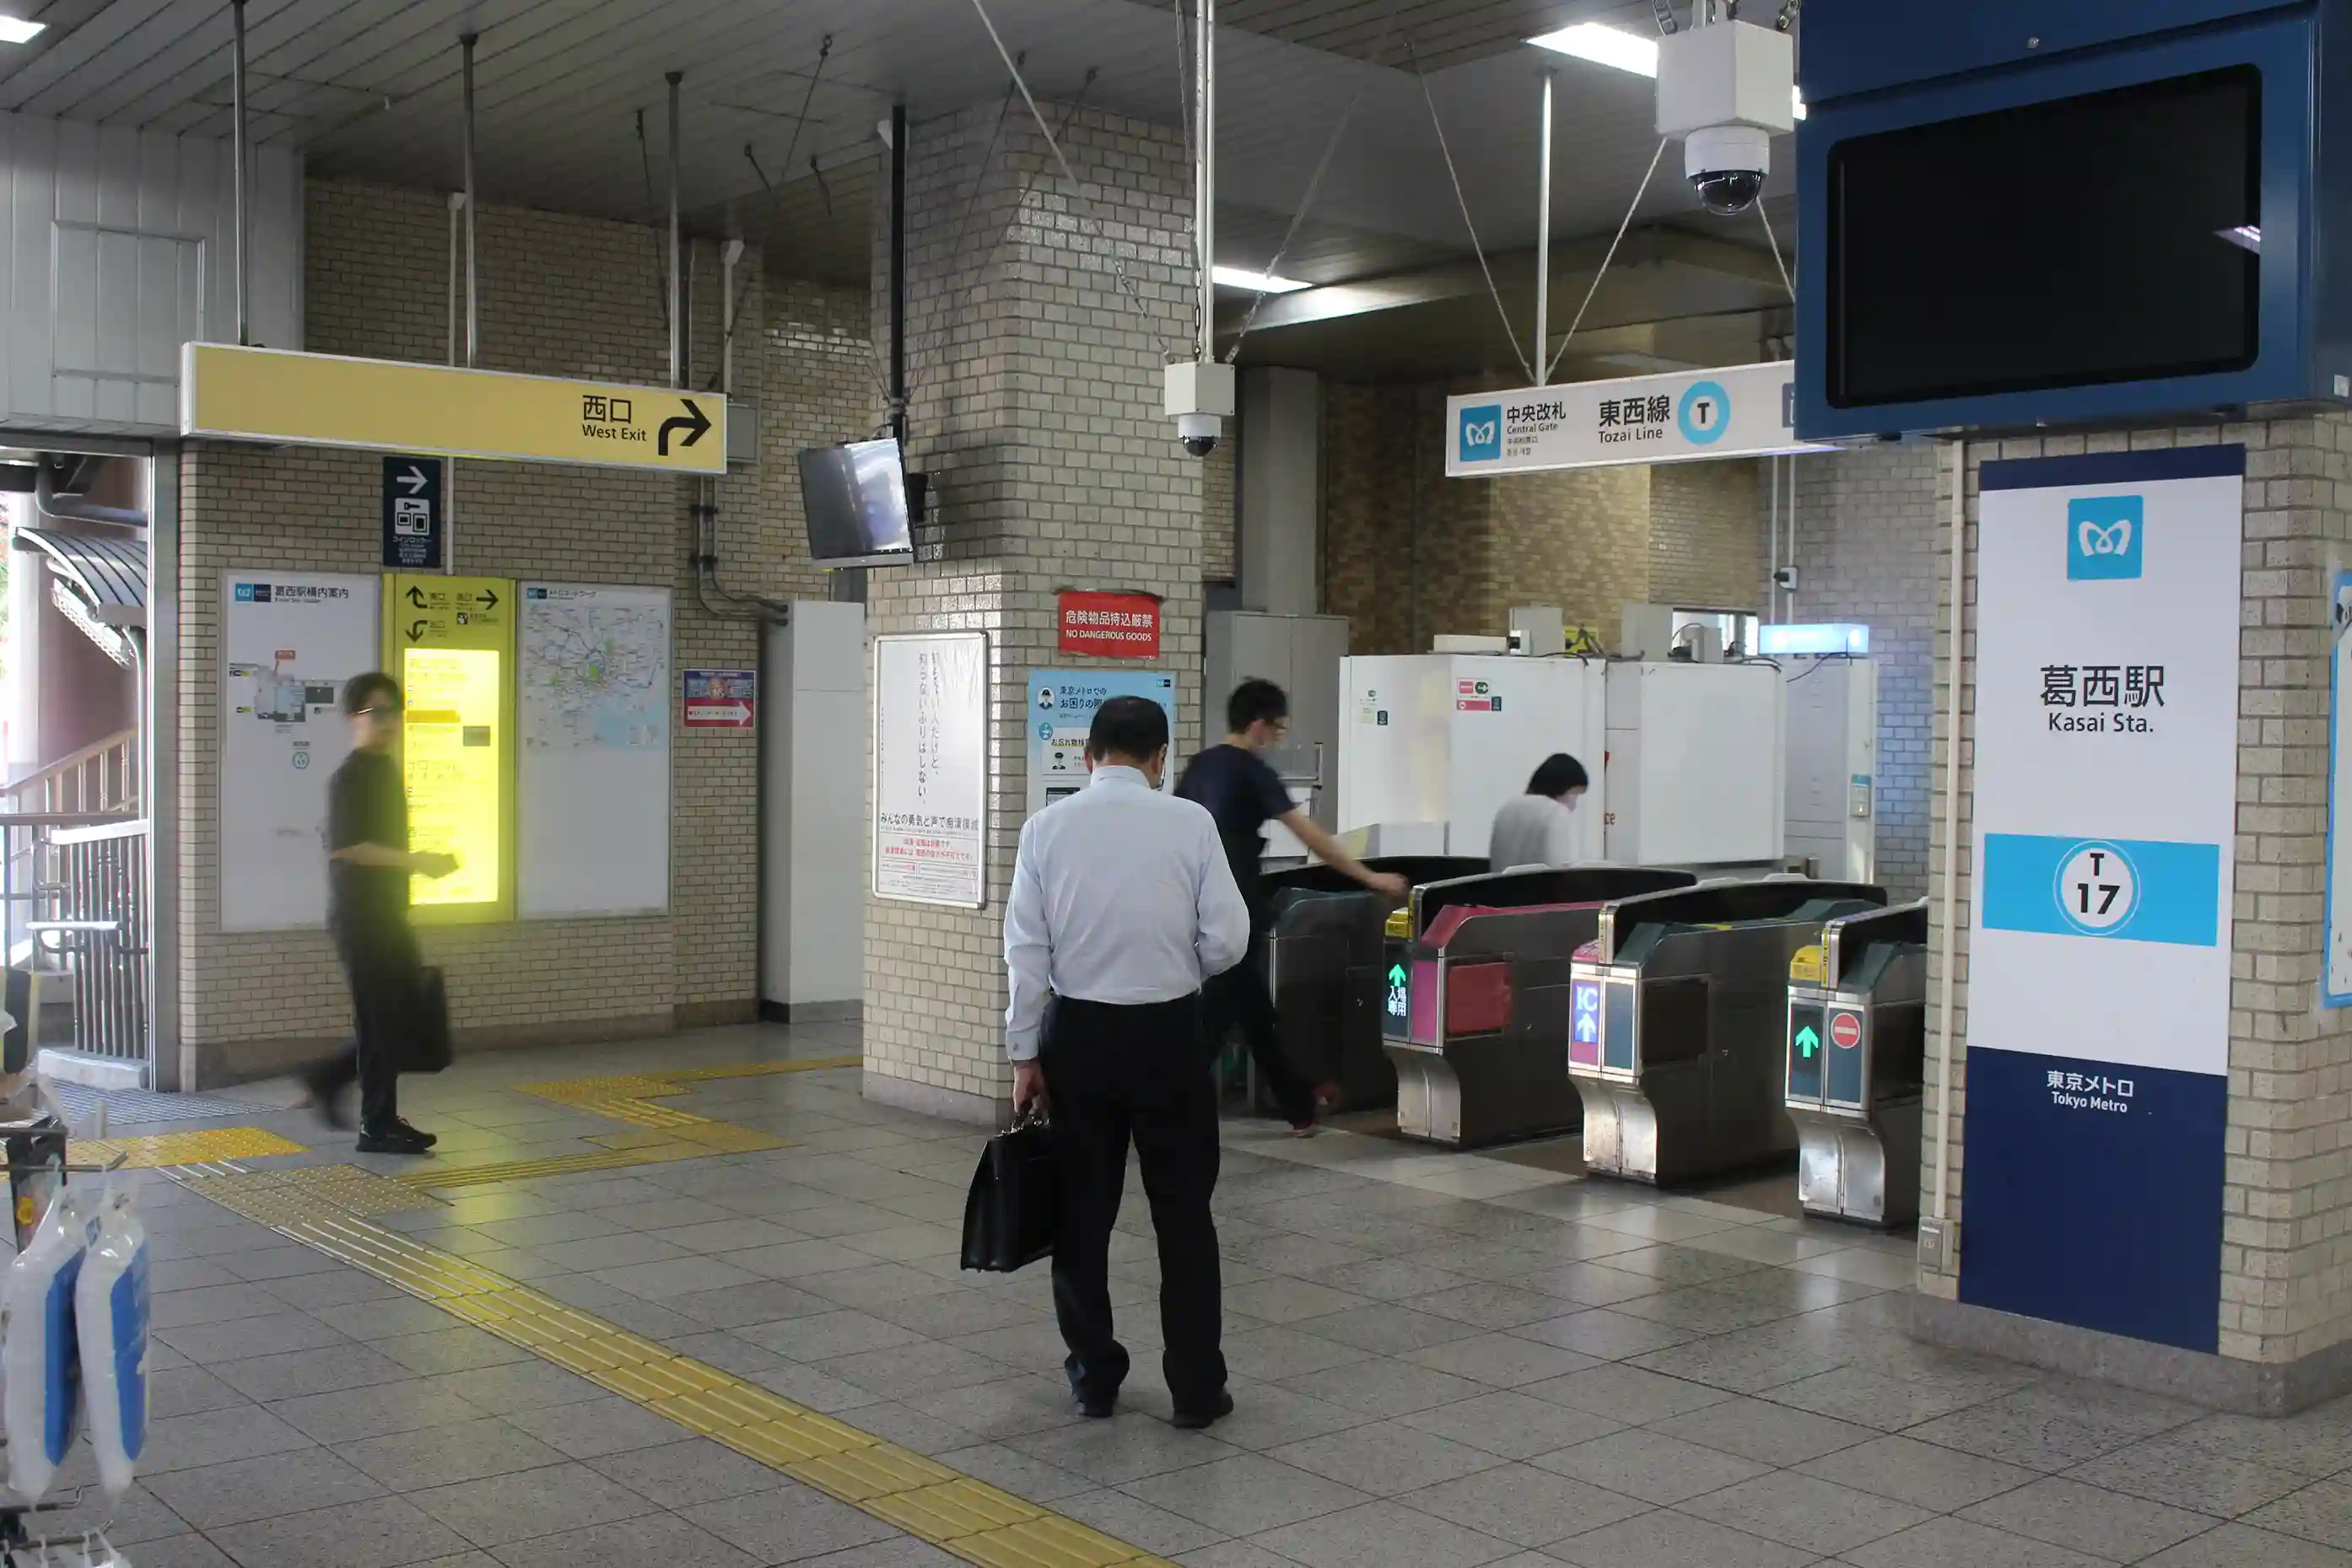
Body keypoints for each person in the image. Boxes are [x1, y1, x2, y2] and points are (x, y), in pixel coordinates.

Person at [1005, 696, 1250, 1430]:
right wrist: (1181, 965)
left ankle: (1094, 1378)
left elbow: (1026, 952)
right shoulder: (1191, 823)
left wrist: (1024, 1053)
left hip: (1077, 1037)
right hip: (1170, 1034)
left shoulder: (1045, 829)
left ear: (1089, 757)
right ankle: (1197, 1389)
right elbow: (1229, 937)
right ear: (1159, 760)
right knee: (1184, 1215)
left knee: (1083, 1215)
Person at [1176, 679, 1409, 1133]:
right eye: (1278, 729)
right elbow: (1310, 836)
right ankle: (1160, 1103)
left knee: (1250, 1011)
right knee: (1220, 1015)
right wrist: (1370, 877)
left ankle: (1298, 1107)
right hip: (1237, 908)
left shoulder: (1199, 767)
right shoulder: (1251, 770)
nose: (1277, 739)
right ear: (1258, 725)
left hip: (1196, 904)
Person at [304, 672, 456, 1155]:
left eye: (394, 711)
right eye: (377, 713)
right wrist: (420, 863)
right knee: (379, 1022)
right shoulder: (349, 778)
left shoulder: (386, 771)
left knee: (402, 1016)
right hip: (360, 917)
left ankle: (329, 1079)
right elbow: (352, 848)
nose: (389, 722)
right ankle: (377, 1122)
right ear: (354, 718)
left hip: (389, 914)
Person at [1489, 753, 1590, 870]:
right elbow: (1561, 873)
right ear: (1563, 786)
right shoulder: (1556, 812)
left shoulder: (1506, 808)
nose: (1575, 804)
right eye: (1575, 794)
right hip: (1541, 888)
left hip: (1499, 888)